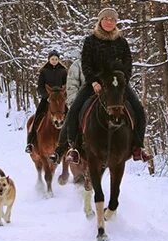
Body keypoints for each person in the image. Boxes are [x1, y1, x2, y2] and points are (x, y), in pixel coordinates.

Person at [51, 8, 149, 164]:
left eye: (112, 19)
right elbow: (86, 64)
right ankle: (72, 147)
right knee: (75, 109)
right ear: (100, 21)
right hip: (95, 83)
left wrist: (123, 80)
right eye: (106, 18)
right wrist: (94, 81)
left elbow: (128, 63)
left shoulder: (121, 42)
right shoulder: (91, 41)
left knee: (138, 109)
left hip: (117, 85)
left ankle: (138, 146)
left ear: (116, 23)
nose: (109, 22)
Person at [25, 50, 68, 153]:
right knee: (37, 116)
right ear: (49, 59)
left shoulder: (63, 71)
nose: (54, 61)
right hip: (47, 98)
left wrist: (63, 96)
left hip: (60, 99)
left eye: (56, 59)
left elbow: (67, 85)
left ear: (59, 60)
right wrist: (47, 96)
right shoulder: (44, 71)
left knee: (71, 115)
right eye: (52, 59)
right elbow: (40, 87)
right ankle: (30, 143)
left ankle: (73, 143)